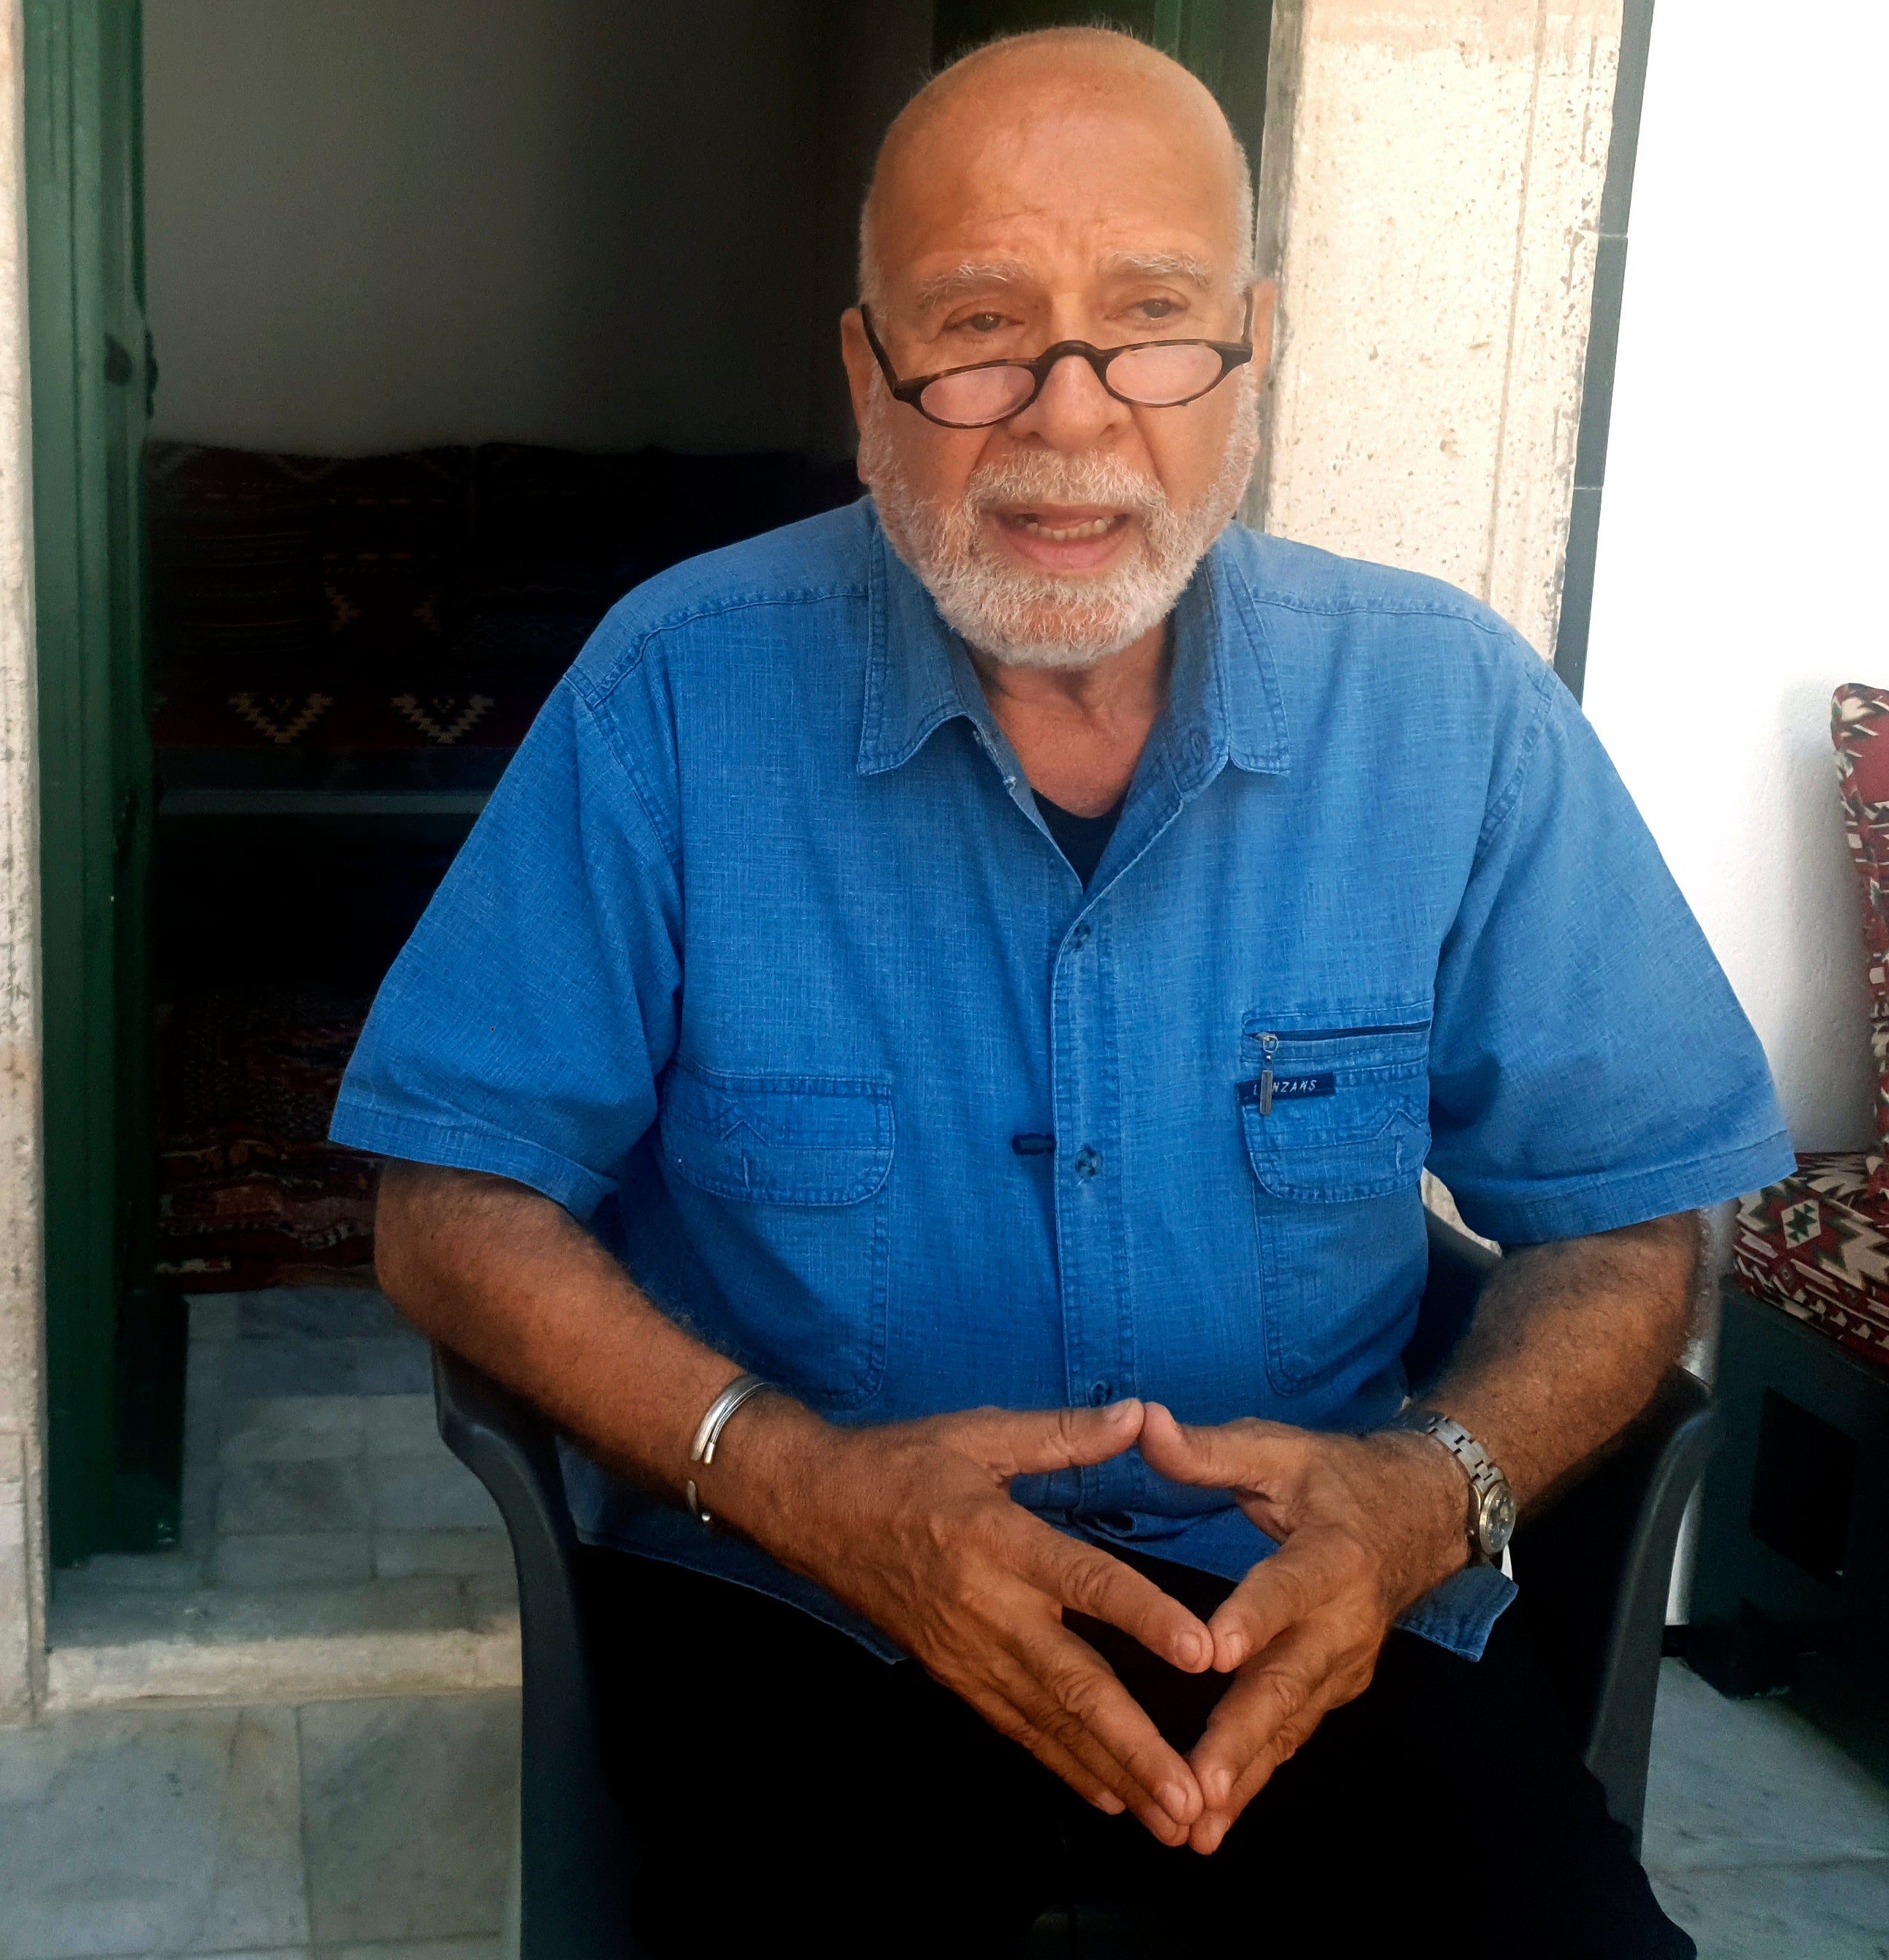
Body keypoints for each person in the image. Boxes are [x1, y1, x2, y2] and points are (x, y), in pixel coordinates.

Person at [327, 24, 1785, 1958]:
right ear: (865, 375)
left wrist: (1422, 1501)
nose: (1069, 415)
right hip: (806, 1616)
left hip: (1310, 1622)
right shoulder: (670, 696)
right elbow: (448, 1203)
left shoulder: (1448, 713)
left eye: (1152, 323)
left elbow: (1624, 1227)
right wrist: (797, 1482)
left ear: (1246, 357)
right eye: (978, 328)